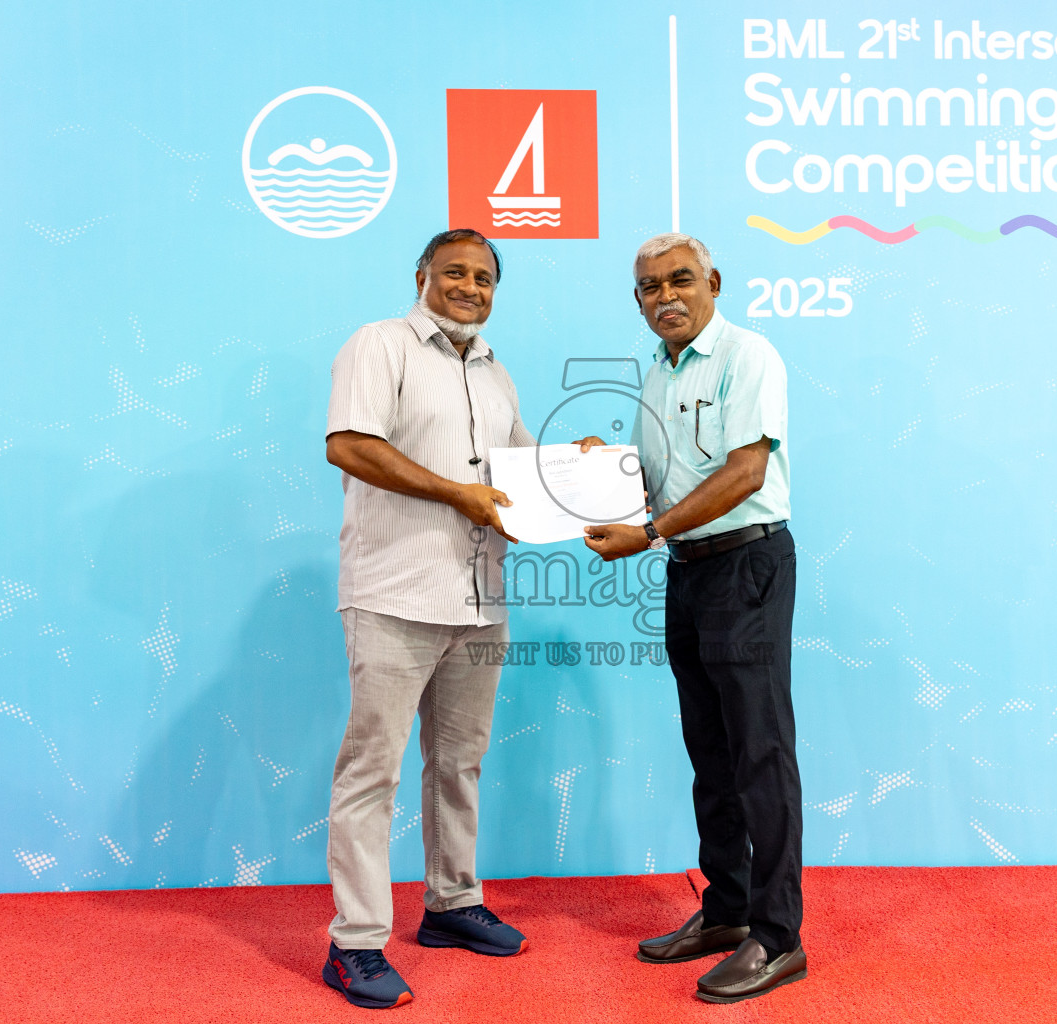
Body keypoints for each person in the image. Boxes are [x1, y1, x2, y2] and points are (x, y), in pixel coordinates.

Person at [321, 228, 601, 1009]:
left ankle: (451, 903)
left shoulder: (495, 373)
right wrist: (455, 494)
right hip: (393, 594)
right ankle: (355, 943)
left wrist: (577, 465)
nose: (470, 287)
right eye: (454, 272)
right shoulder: (380, 345)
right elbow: (349, 445)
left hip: (480, 599)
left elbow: (523, 479)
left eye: (484, 277)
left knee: (458, 762)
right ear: (421, 275)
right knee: (372, 771)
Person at [584, 233, 804, 1004]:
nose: (666, 296)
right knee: (710, 753)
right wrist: (601, 469)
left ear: (713, 281)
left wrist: (648, 532)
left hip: (747, 565)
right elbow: (658, 483)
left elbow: (745, 473)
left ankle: (778, 937)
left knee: (759, 754)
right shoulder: (657, 372)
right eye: (650, 287)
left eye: (680, 279)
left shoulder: (748, 355)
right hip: (688, 572)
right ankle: (728, 910)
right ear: (637, 300)